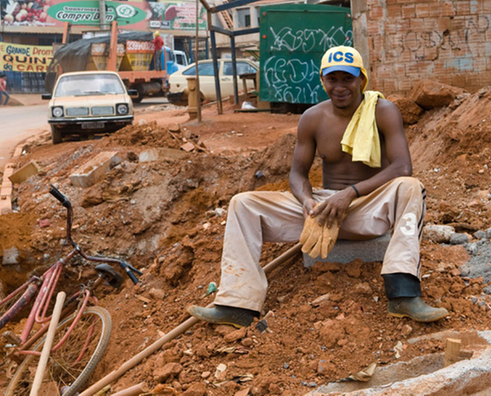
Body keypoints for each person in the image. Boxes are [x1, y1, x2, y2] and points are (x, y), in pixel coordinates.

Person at [188, 46, 448, 328]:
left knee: (410, 186)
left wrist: (350, 194)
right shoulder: (312, 118)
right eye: (332, 79)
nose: (339, 87)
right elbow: (297, 174)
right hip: (323, 213)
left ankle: (404, 295)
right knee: (242, 203)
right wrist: (307, 201)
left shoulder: (382, 111)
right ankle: (237, 305)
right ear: (322, 80)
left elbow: (401, 167)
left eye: (347, 79)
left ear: (361, 79)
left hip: (368, 209)